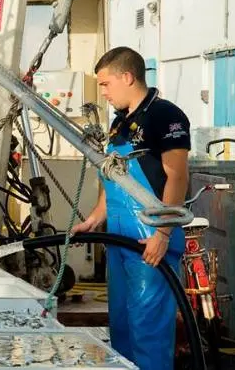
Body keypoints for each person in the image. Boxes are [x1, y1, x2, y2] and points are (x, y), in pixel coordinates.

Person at [71, 46, 190, 370]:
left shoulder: (165, 116)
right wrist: (94, 219)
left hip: (150, 240)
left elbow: (177, 176)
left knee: (147, 332)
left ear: (127, 77)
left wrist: (162, 234)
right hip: (119, 240)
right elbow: (115, 180)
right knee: (121, 328)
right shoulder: (119, 123)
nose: (103, 92)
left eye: (106, 84)